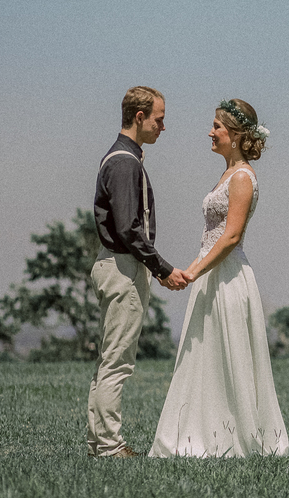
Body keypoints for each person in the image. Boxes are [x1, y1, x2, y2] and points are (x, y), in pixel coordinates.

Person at [149, 99, 289, 458]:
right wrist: (185, 271)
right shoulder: (226, 175)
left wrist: (194, 271)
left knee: (230, 355)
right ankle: (201, 433)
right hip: (209, 274)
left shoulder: (242, 177)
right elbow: (211, 236)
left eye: (217, 127)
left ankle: (235, 439)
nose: (210, 132)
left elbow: (230, 237)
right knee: (203, 353)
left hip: (228, 278)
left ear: (237, 135)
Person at [88, 86, 190, 459]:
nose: (164, 127)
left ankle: (99, 443)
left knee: (110, 358)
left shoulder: (125, 158)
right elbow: (130, 228)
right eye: (160, 119)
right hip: (122, 267)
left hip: (116, 263)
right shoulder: (124, 162)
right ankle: (110, 447)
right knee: (117, 361)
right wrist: (162, 268)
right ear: (140, 117)